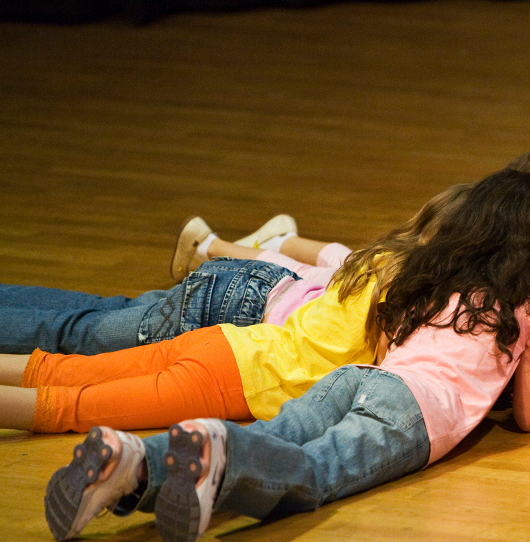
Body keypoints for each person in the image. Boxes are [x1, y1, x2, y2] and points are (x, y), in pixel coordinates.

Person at [43, 169, 530, 542]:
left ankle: (135, 462)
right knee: (317, 469)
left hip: (359, 378)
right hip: (410, 410)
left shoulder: (431, 273)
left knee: (282, 431)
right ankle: (222, 457)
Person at [0, 184, 475, 433]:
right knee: (70, 403)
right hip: (230, 378)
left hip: (229, 338)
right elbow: (392, 376)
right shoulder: (411, 299)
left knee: (66, 365)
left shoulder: (377, 259)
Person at [0, 215, 343, 356]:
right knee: (78, 333)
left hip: (249, 282)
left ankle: (216, 246)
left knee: (106, 309)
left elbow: (332, 263)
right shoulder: (392, 319)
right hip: (244, 316)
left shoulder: (385, 268)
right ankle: (214, 246)